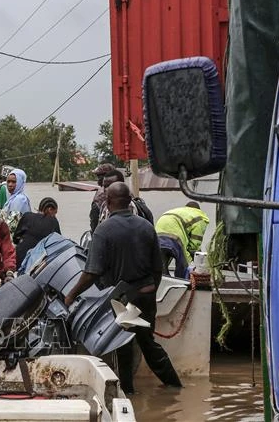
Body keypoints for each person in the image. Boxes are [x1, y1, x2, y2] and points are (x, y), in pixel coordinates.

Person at [64, 182, 182, 395]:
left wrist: (71, 295)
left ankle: (127, 393)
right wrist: (150, 290)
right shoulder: (146, 226)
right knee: (148, 343)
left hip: (122, 299)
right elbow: (158, 267)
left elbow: (92, 272)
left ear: (107, 203)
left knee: (122, 346)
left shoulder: (103, 230)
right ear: (130, 201)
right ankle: (175, 387)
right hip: (146, 294)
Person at [155, 201, 210, 278]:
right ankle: (182, 282)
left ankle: (164, 283)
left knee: (161, 266)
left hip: (157, 234)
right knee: (184, 264)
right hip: (175, 236)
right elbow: (195, 242)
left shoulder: (179, 211)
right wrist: (195, 255)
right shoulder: (199, 217)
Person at [13, 197, 61, 269]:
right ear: (50, 209)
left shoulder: (27, 216)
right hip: (36, 264)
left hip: (18, 260)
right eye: (55, 212)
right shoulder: (53, 221)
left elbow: (15, 238)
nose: (55, 215)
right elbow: (58, 244)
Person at [0, 168, 32, 234]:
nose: (10, 185)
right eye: (8, 181)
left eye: (14, 182)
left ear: (20, 182)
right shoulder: (12, 198)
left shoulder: (20, 200)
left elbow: (12, 225)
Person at [89, 163, 116, 232]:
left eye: (98, 176)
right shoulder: (125, 189)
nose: (98, 179)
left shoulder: (100, 196)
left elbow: (94, 220)